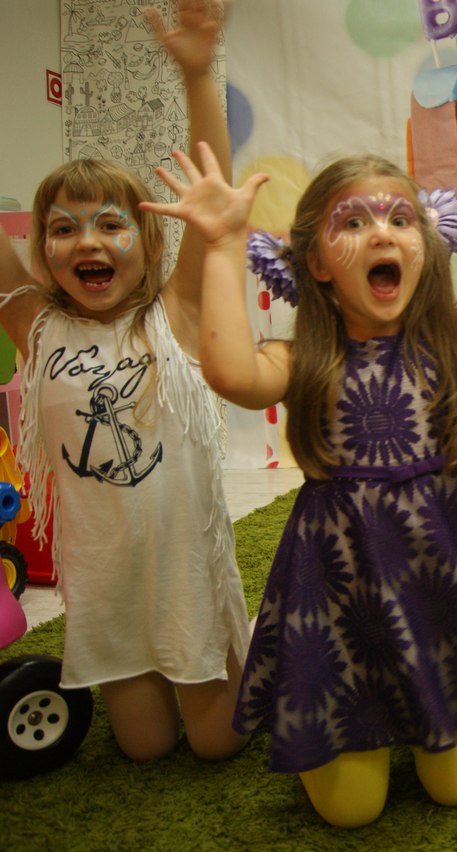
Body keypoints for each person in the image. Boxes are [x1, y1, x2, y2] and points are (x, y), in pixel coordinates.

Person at [145, 38, 457, 827]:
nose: (383, 234)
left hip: (442, 560)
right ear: (317, 263)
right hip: (341, 578)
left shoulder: (452, 339)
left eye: (399, 218)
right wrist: (221, 245)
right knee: (351, 811)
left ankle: (435, 705)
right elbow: (227, 371)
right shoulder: (301, 357)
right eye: (352, 222)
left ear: (426, 247)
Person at [0, 0, 250, 765]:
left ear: (148, 240)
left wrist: (198, 72)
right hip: (104, 580)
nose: (88, 240)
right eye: (63, 228)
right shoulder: (35, 324)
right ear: (42, 253)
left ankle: (240, 658)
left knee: (218, 745)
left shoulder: (176, 311)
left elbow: (212, 189)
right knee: (142, 749)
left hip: (185, 570)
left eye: (110, 223)